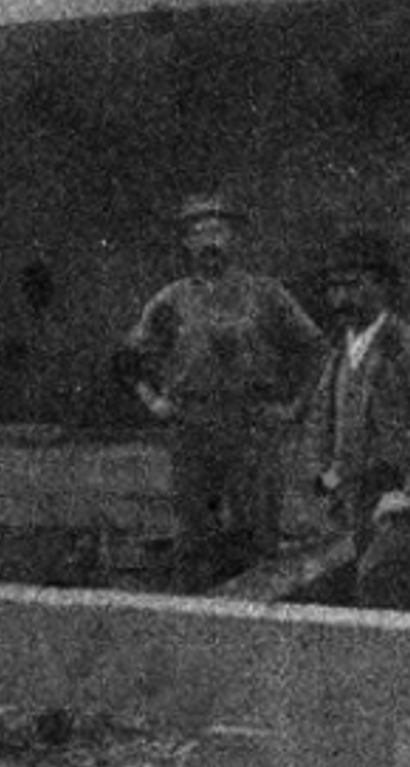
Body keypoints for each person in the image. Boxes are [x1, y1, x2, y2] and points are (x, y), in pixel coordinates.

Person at [120, 192, 326, 588]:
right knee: (195, 535)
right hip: (192, 424)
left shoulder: (266, 294)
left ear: (235, 239)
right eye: (199, 231)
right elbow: (126, 359)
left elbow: (316, 347)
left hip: (252, 423)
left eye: (220, 230)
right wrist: (154, 401)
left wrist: (295, 406)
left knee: (257, 533)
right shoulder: (170, 299)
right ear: (186, 242)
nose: (210, 240)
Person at [304, 232, 410, 613]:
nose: (341, 299)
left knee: (381, 584)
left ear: (382, 286)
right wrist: (323, 477)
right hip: (354, 506)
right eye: (333, 288)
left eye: (353, 286)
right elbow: (320, 421)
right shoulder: (339, 356)